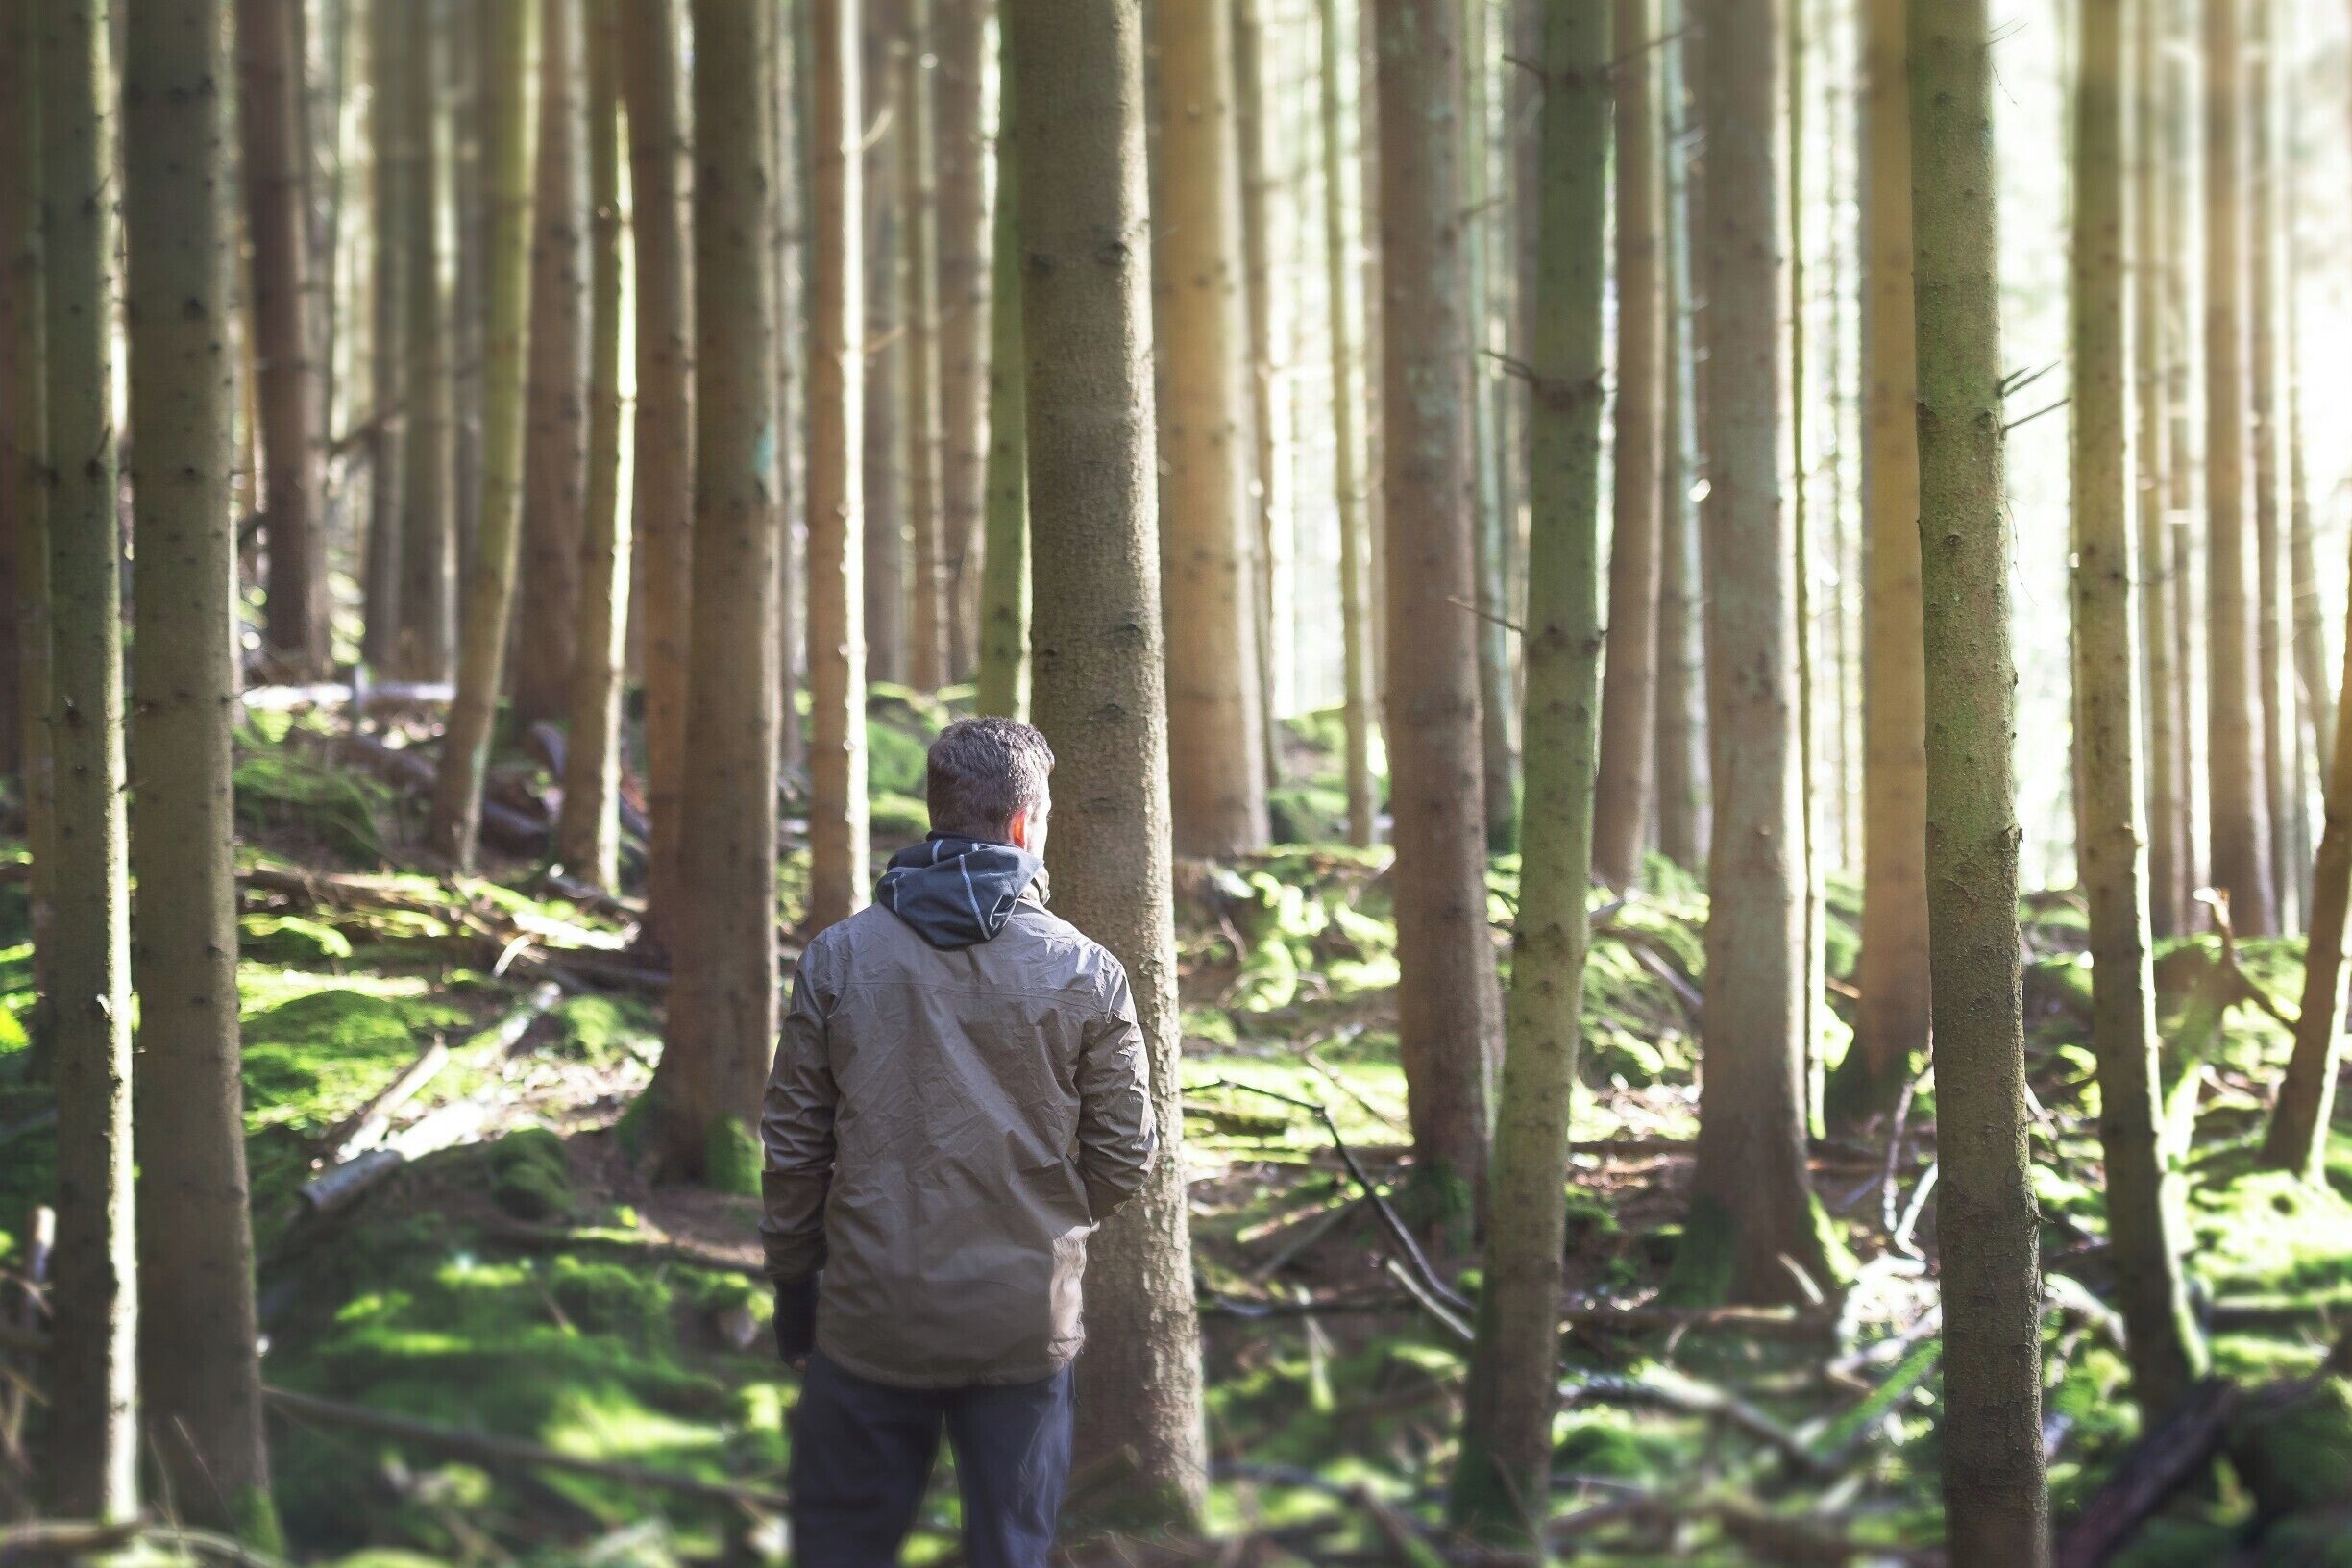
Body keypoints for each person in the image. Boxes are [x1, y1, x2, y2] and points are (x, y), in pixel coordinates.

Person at [762, 716, 1158, 1568]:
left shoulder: (836, 957)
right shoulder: (1089, 970)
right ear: (1024, 825)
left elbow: (794, 1148)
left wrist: (796, 1286)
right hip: (1019, 1324)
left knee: (840, 1550)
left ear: (937, 813)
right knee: (1010, 1552)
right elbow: (1126, 1152)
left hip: (868, 1316)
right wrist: (1041, 1220)